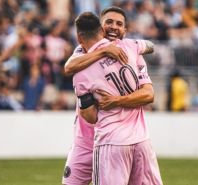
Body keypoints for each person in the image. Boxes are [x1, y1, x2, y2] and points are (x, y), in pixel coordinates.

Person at [62, 7, 155, 185]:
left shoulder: (131, 50)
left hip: (115, 140)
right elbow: (68, 67)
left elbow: (150, 48)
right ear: (100, 28)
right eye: (109, 22)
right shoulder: (83, 51)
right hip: (86, 141)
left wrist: (135, 46)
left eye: (119, 24)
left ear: (125, 31)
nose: (114, 27)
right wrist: (103, 51)